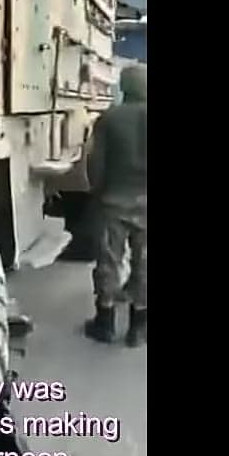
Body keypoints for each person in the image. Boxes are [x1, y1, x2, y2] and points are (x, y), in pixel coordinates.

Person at [83, 64, 147, 347]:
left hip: (114, 201)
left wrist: (97, 192)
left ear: (124, 87)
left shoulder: (108, 119)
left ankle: (105, 323)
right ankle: (139, 328)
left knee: (109, 261)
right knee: (144, 263)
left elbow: (95, 162)